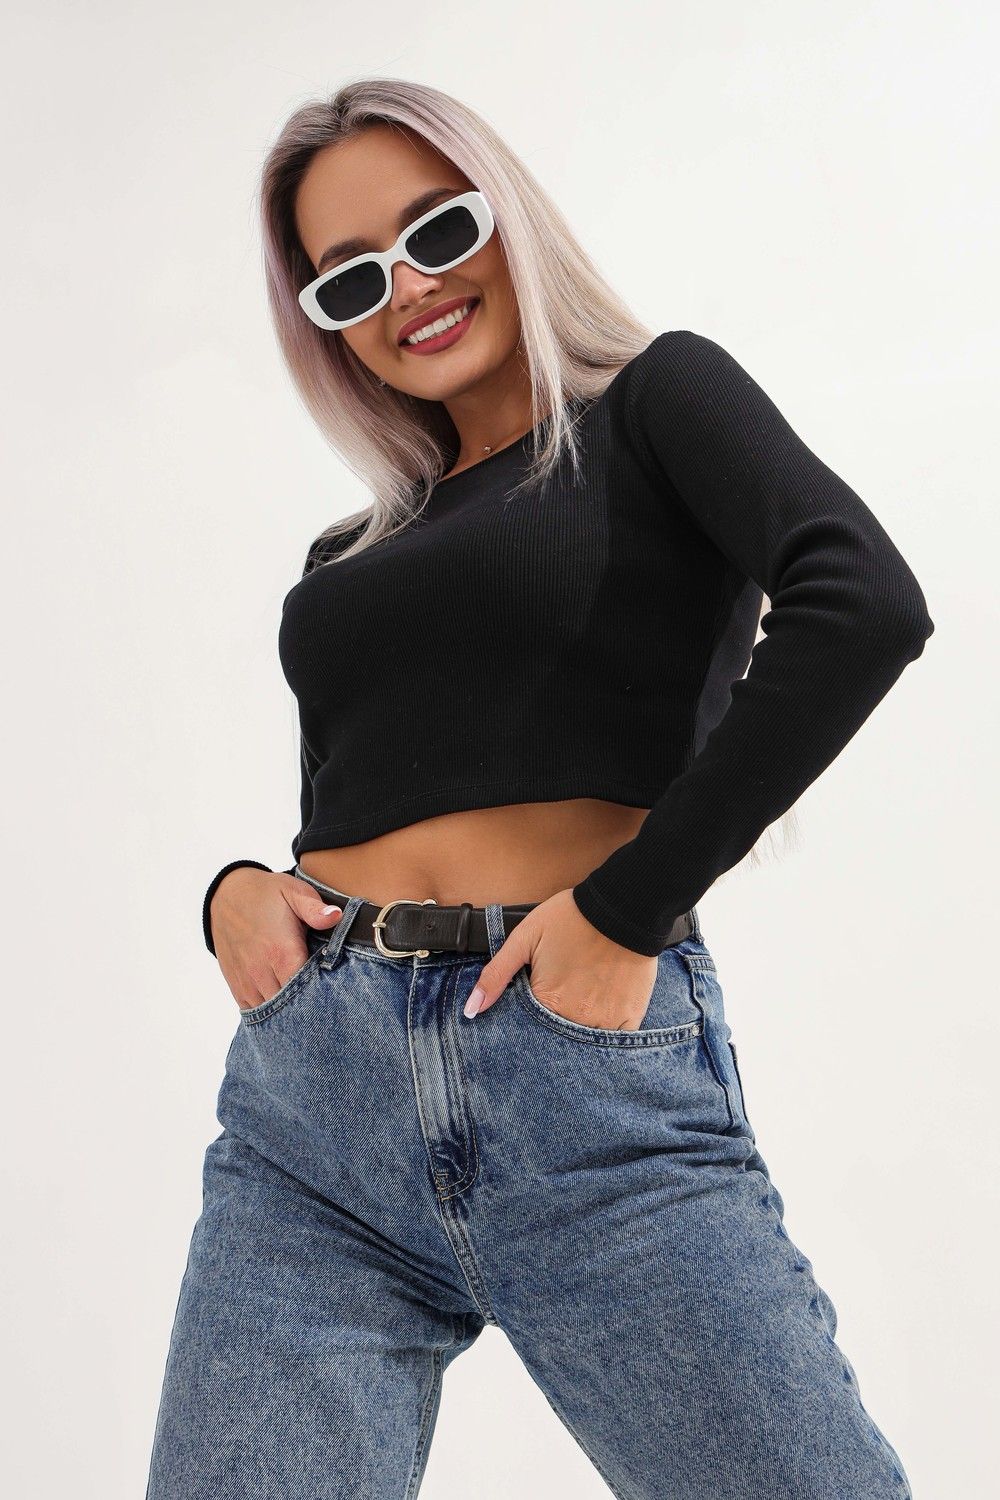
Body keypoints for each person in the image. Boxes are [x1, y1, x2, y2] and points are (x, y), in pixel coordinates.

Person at [145, 78, 931, 1500]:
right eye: (351, 280)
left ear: (505, 213)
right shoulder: (350, 554)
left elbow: (861, 599)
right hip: (311, 1119)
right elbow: (361, 799)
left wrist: (630, 909)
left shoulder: (656, 405)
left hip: (583, 1084)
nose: (409, 290)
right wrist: (233, 895)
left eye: (437, 231)